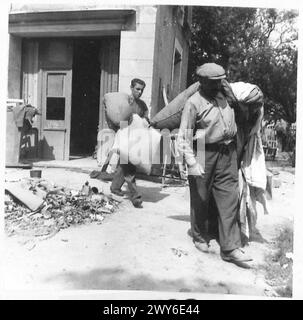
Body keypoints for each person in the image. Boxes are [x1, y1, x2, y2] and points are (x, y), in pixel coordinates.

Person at [177, 63, 252, 267]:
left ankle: (230, 248)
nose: (218, 85)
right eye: (213, 82)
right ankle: (200, 236)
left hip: (228, 152)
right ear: (202, 82)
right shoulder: (193, 103)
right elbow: (183, 137)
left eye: (220, 81)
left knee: (230, 197)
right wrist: (192, 162)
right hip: (203, 150)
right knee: (201, 196)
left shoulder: (224, 96)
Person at [110, 78, 149, 208]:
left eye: (142, 90)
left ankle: (115, 187)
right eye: (137, 89)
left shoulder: (142, 106)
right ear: (131, 88)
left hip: (136, 138)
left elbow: (145, 120)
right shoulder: (126, 102)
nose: (140, 92)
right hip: (125, 137)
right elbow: (120, 121)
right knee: (130, 168)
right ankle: (135, 196)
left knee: (124, 165)